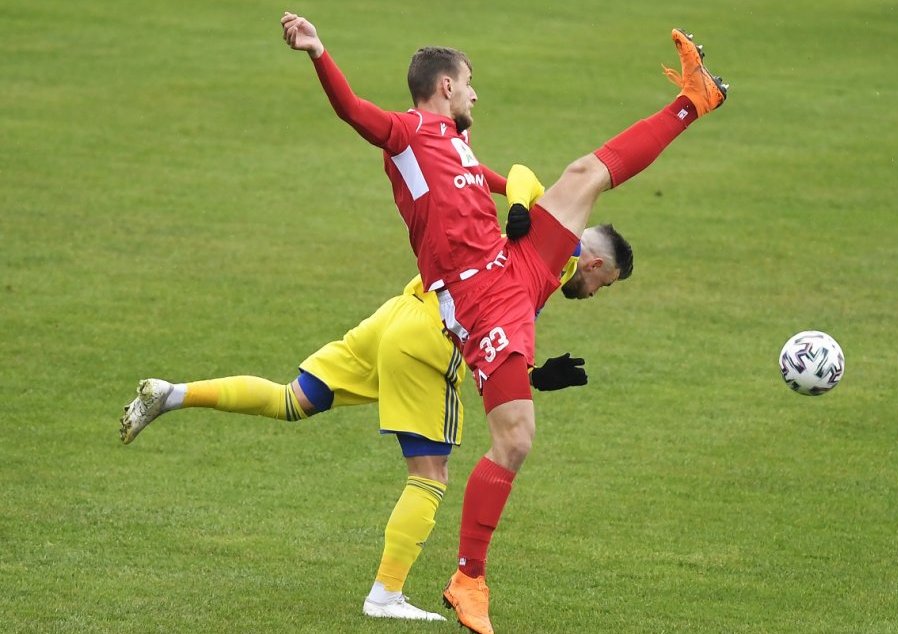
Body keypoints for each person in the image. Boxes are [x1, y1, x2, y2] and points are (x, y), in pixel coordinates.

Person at [280, 13, 726, 632]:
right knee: (515, 440)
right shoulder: (407, 133)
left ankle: (693, 102)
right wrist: (318, 52)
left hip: (509, 269)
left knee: (583, 175)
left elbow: (515, 177)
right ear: (444, 87)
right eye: (470, 83)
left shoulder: (458, 142)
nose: (475, 93)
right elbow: (353, 110)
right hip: (477, 296)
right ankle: (468, 578)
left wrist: (518, 203)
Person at [119, 181, 633, 621]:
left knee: (292, 399)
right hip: (433, 342)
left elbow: (501, 322)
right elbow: (520, 192)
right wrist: (518, 203)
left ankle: (171, 395)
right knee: (430, 476)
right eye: (600, 283)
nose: (592, 292)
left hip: (400, 312)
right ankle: (385, 595)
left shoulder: (549, 244)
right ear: (591, 262)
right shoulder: (562, 255)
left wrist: (535, 375)